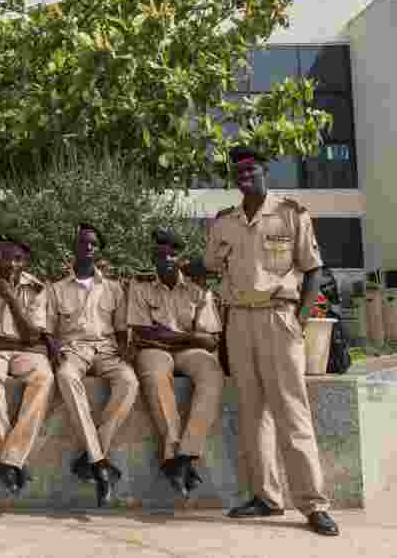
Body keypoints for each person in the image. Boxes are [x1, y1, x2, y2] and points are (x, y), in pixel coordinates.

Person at [204, 146, 339, 537]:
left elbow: (313, 271)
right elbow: (211, 266)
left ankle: (313, 504)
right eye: (238, 171)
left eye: (251, 168)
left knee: (291, 412)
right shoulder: (224, 223)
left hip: (280, 318)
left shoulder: (290, 214)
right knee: (252, 413)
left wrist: (299, 320)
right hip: (238, 320)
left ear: (265, 170)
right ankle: (266, 496)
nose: (244, 175)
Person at [128, 229, 224, 499]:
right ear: (153, 259)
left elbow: (210, 340)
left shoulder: (198, 289)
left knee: (211, 373)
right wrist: (191, 336)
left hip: (187, 351)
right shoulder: (140, 285)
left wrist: (175, 336)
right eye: (161, 255)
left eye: (172, 254)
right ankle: (172, 453)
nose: (167, 259)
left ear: (181, 258)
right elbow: (144, 333)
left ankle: (185, 455)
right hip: (154, 351)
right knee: (156, 374)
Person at [46, 224, 138, 507]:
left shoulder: (113, 288)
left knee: (129, 381)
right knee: (65, 376)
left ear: (99, 250)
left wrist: (126, 352)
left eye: (94, 244)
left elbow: (122, 328)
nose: (88, 248)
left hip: (107, 349)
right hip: (74, 350)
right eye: (83, 243)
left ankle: (92, 457)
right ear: (74, 247)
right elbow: (47, 329)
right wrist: (53, 352)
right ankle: (100, 463)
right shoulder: (56, 288)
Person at [0, 235, 53, 495]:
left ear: (25, 262)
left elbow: (33, 334)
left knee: (43, 378)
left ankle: (8, 460)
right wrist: (25, 345)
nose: (10, 264)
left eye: (17, 259)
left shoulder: (37, 288)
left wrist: (11, 298)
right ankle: (13, 460)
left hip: (20, 351)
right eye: (5, 257)